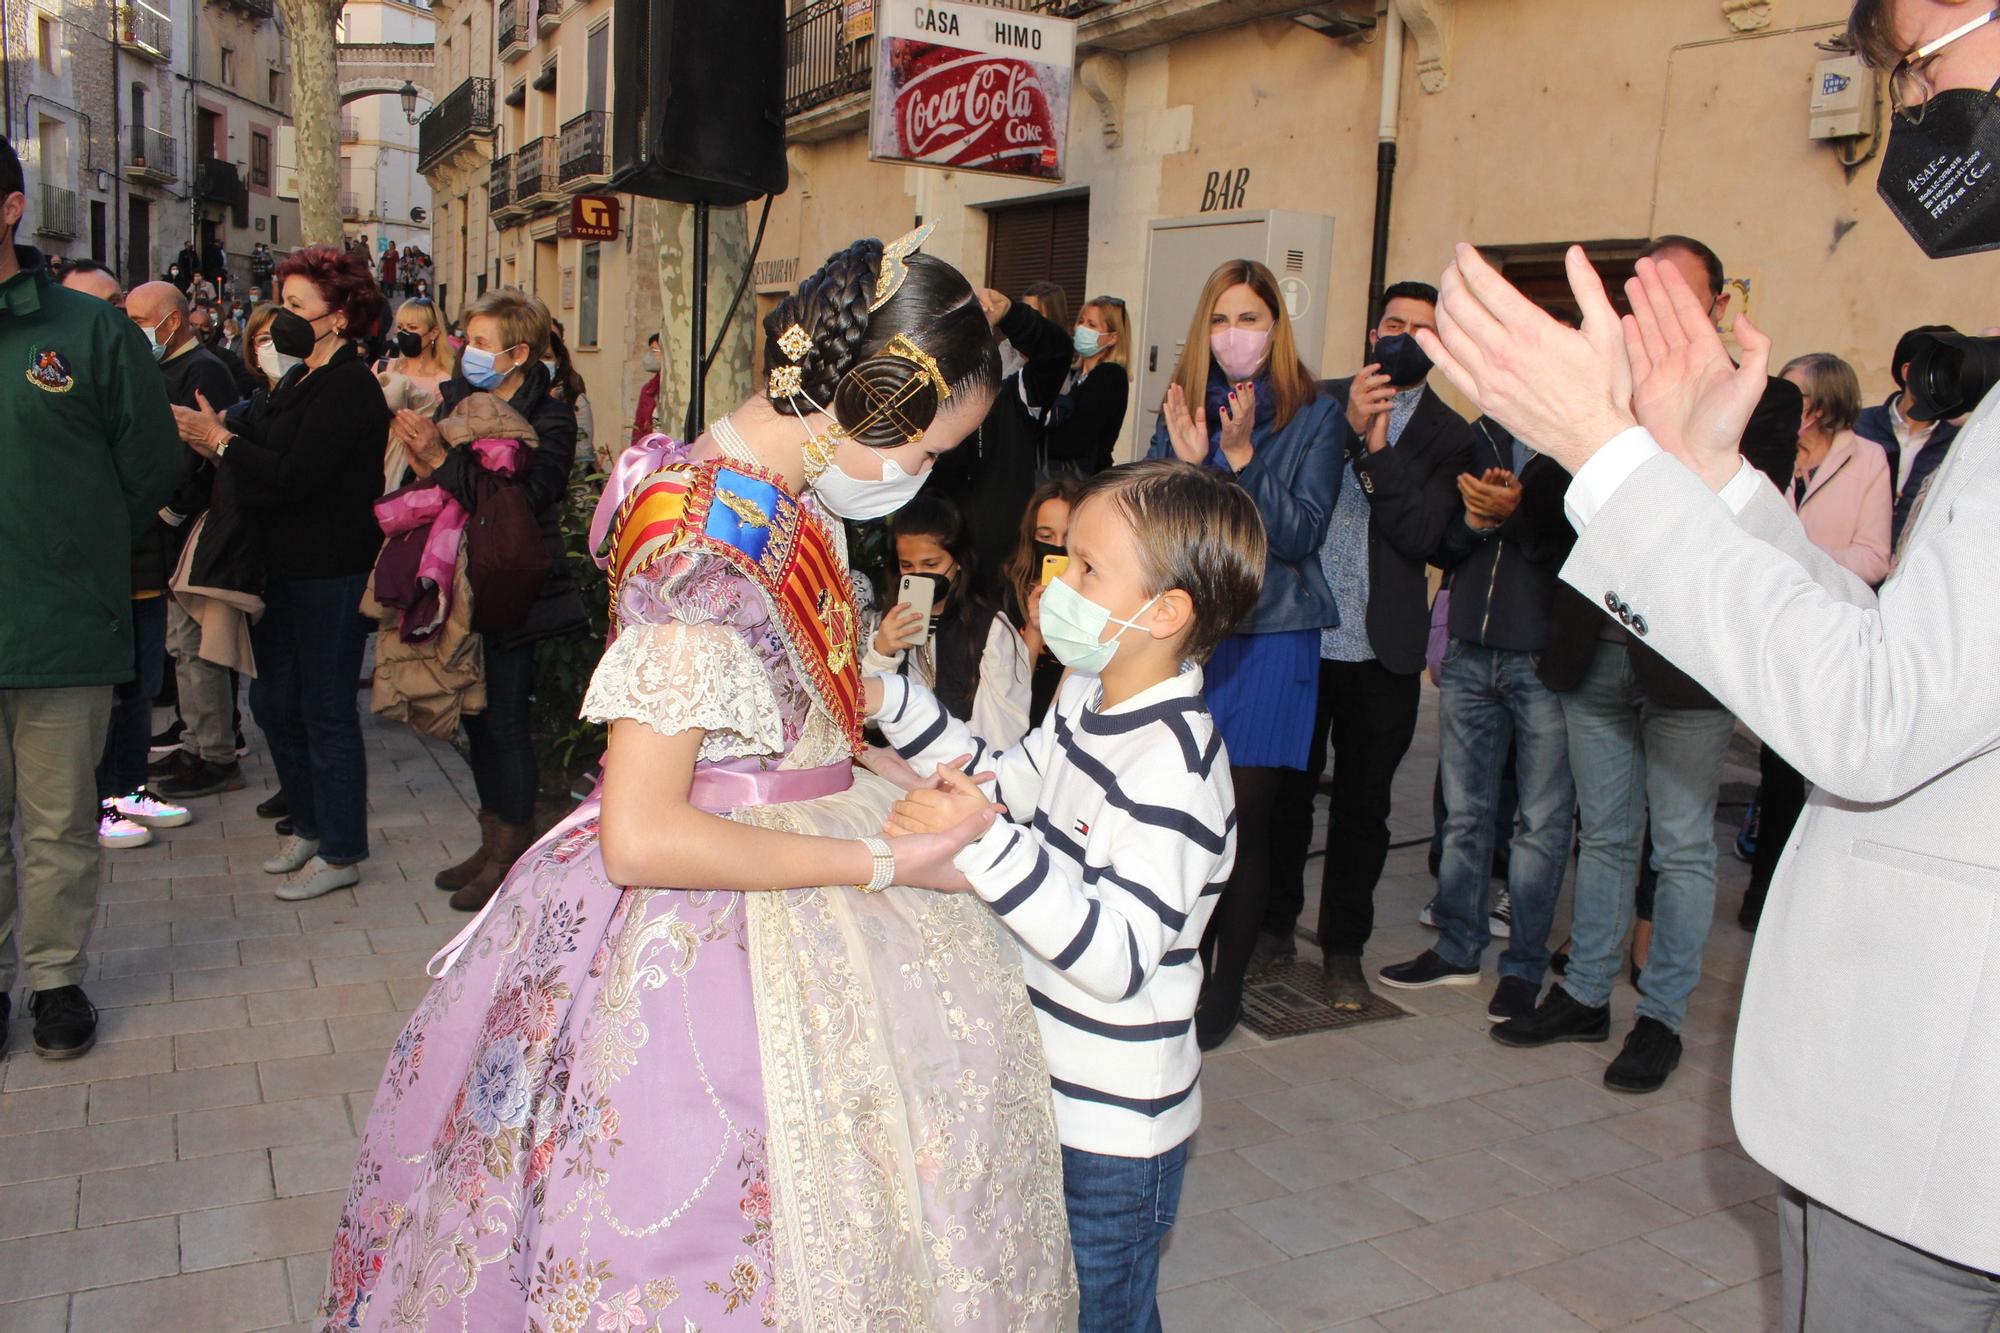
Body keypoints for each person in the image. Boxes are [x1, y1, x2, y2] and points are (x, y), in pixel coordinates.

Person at [322, 229, 1077, 1329]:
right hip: (717, 923)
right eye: (925, 448)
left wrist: (855, 750)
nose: (924, 475)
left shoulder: (761, 480)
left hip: (788, 842)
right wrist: (884, 857)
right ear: (867, 395)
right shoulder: (706, 548)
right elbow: (642, 833)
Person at [1415, 1, 2000, 1313]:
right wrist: (1711, 481)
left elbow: (1871, 723)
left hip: (1949, 1133)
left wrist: (1607, 453)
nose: (1911, 100)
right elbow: (1907, 663)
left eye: (1924, 54)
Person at [872, 458, 1265, 1333]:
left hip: (1116, 1130)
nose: (1060, 584)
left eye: (1088, 568)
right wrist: (887, 697)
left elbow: (1116, 957)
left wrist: (984, 839)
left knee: (1102, 1314)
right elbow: (1003, 779)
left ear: (1166, 612)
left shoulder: (1176, 768)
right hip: (1047, 1082)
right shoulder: (1088, 694)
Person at [0, 135, 182, 1057]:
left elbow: (151, 456)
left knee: (58, 820)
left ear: (10, 208)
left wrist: (73, 544)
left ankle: (55, 980)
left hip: (61, 625)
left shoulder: (87, 331)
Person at [1257, 281, 1476, 1011]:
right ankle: (1271, 928)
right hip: (1300, 633)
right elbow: (1279, 493)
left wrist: (1373, 449)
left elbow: (1426, 537)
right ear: (1370, 329)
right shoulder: (1316, 399)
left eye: (1422, 329)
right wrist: (1346, 427)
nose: (1404, 337)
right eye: (1393, 322)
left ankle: (1344, 947)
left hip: (1383, 649)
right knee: (1286, 795)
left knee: (1362, 808)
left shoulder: (1453, 436)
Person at [1149, 256, 1343, 1048]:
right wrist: (1190, 464)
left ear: (1277, 327)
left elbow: (1298, 533)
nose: (1236, 335)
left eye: (1251, 320)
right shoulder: (1185, 405)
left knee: (1246, 817)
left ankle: (1226, 986)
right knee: (1185, 807)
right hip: (1199, 632)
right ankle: (1181, 963)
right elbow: (1160, 528)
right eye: (1222, 319)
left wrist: (1237, 461)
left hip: (1273, 636)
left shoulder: (1314, 412)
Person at [171, 244, 390, 902]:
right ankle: (311, 822)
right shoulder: (298, 379)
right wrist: (225, 435)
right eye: (282, 302)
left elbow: (296, 475)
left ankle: (343, 846)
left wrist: (224, 442)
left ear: (343, 314)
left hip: (331, 572)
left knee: (324, 710)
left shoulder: (348, 384)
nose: (282, 319)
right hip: (281, 569)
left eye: (297, 306)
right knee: (272, 702)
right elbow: (264, 456)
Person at [1378, 408, 1579, 1021]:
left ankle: (1521, 968)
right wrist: (1473, 518)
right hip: (1469, 646)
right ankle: (1458, 947)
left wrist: (1515, 514)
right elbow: (1440, 543)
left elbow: (1578, 549)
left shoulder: (1579, 439)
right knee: (1465, 815)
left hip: (1543, 656)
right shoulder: (1477, 436)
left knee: (1540, 824)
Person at [391, 290, 589, 912]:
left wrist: (440, 458)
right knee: (473, 719)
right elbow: (423, 487)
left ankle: (512, 852)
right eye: (465, 340)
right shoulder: (455, 401)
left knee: (503, 719)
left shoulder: (550, 417)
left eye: (480, 343)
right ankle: (492, 838)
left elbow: (521, 505)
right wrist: (418, 457)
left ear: (518, 352)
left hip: (512, 586)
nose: (467, 353)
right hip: (454, 582)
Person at [1733, 352, 1892, 933]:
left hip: (1822, 628)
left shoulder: (1868, 457)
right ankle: (1762, 882)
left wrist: (1799, 562)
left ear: (1821, 407)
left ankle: (1782, 891)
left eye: (1793, 395)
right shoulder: (1761, 455)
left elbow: (1875, 555)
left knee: (1798, 770)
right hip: (1761, 619)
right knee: (1769, 769)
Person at [120, 281, 245, 814]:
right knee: (183, 646)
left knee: (198, 645)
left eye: (140, 320)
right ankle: (196, 741)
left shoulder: (205, 371)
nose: (133, 330)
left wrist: (174, 508)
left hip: (198, 526)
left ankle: (214, 751)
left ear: (172, 321)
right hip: (172, 529)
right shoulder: (161, 366)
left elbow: (209, 449)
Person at [930, 288, 1073, 600]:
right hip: (943, 578)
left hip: (1006, 578)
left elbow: (1057, 353)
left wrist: (1012, 315)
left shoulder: (1015, 397)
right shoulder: (928, 407)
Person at [866, 492, 1031, 748]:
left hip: (968, 771)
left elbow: (1001, 733)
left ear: (959, 562)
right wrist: (882, 654)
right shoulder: (886, 624)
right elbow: (867, 720)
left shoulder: (991, 630)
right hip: (899, 773)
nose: (919, 574)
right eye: (907, 566)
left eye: (931, 564)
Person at [1853, 322, 1962, 547]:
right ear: (1907, 371)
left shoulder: (1957, 442)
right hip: (1852, 561)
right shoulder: (1858, 426)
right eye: (1941, 371)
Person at [1001, 476, 1082, 727]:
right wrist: (1034, 627)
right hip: (1023, 720)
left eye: (1068, 538)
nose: (1057, 547)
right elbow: (1010, 686)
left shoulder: (1097, 594)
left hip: (1070, 721)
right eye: (1046, 536)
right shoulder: (1012, 588)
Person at [1041, 294, 1133, 476]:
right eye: (1081, 321)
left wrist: (1029, 437)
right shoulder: (1072, 374)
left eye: (1092, 325)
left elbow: (1074, 440)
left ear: (1113, 338)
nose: (1081, 328)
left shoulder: (1110, 375)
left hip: (1083, 480)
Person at [376, 294, 456, 425]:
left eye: (412, 328)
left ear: (433, 332)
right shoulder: (382, 368)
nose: (404, 333)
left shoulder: (445, 382)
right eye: (400, 327)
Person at [543, 321, 597, 472]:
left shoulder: (574, 399)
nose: (540, 364)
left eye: (546, 357)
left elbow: (581, 457)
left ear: (558, 361)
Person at [631, 330, 663, 448]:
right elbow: (638, 427)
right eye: (650, 351)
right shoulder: (648, 390)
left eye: (654, 351)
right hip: (650, 452)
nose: (650, 356)